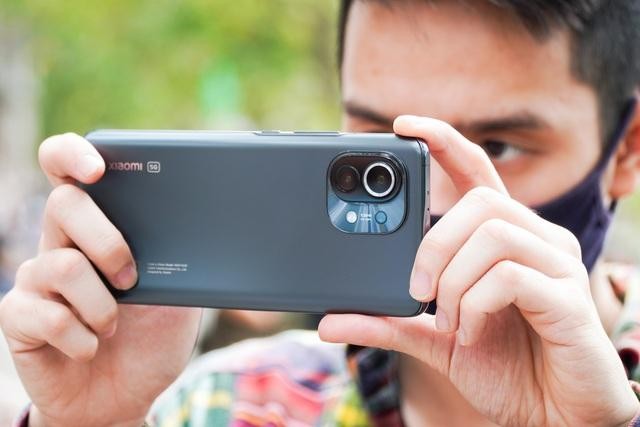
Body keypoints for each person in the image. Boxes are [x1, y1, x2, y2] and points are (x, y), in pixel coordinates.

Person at [2, 0, 640, 425]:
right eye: (384, 155)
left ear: (628, 150)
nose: (439, 205)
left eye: (498, 147)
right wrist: (93, 422)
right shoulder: (222, 405)